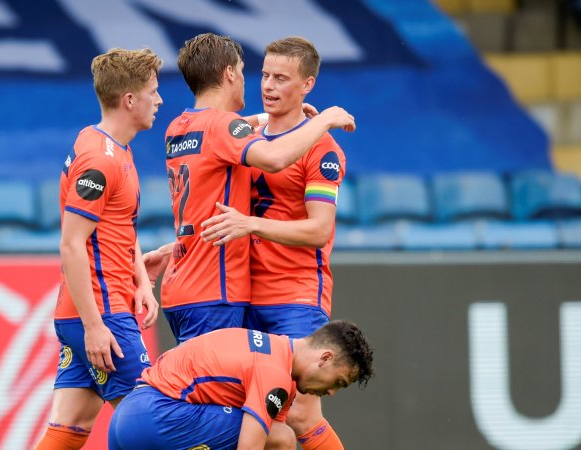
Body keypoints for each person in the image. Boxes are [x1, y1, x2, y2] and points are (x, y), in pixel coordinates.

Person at [158, 33, 356, 344]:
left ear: (307, 85)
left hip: (294, 296)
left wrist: (250, 225)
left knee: (300, 391)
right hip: (243, 295)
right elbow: (263, 152)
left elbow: (320, 231)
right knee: (239, 390)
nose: (267, 85)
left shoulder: (321, 149)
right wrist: (321, 118)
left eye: (280, 78)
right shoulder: (244, 139)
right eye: (264, 75)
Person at [34, 48, 162, 450]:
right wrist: (94, 326)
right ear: (129, 100)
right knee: (154, 427)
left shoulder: (110, 145)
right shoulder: (99, 160)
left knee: (68, 428)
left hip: (93, 311)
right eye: (153, 92)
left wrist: (141, 279)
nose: (159, 100)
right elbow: (71, 245)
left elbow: (120, 223)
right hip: (102, 317)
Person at [108, 320, 374, 450]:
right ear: (324, 358)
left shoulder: (274, 352)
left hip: (127, 416)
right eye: (338, 382)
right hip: (157, 417)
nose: (331, 392)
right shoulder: (275, 372)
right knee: (282, 439)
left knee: (274, 433)